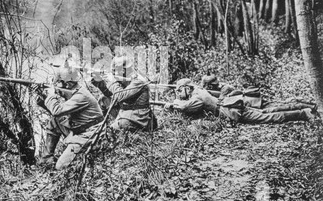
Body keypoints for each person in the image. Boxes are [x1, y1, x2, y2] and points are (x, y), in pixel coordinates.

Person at [36, 66, 104, 170]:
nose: (55, 85)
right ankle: (46, 159)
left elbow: (57, 111)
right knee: (55, 121)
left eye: (57, 82)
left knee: (60, 166)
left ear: (67, 84)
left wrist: (50, 95)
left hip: (91, 134)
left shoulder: (81, 96)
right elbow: (56, 114)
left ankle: (83, 157)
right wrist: (42, 97)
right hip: (81, 129)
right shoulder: (75, 91)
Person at [165, 78, 316, 124]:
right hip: (232, 104)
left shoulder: (196, 96)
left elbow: (186, 108)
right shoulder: (198, 90)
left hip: (230, 110)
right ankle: (304, 110)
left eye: (180, 90)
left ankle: (302, 113)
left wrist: (173, 104)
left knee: (268, 117)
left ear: (187, 88)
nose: (179, 93)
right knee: (268, 111)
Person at [91, 55, 157, 132]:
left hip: (140, 118)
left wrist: (112, 81)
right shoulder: (122, 79)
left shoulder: (138, 80)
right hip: (125, 111)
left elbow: (119, 96)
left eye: (115, 70)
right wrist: (100, 83)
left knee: (114, 129)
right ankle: (101, 125)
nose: (114, 72)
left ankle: (110, 129)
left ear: (123, 70)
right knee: (103, 99)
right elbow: (109, 94)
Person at [202, 74, 317, 113]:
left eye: (214, 85)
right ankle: (309, 105)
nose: (216, 85)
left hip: (253, 103)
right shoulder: (219, 88)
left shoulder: (225, 87)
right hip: (252, 103)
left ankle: (309, 106)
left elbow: (222, 101)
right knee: (281, 105)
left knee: (281, 107)